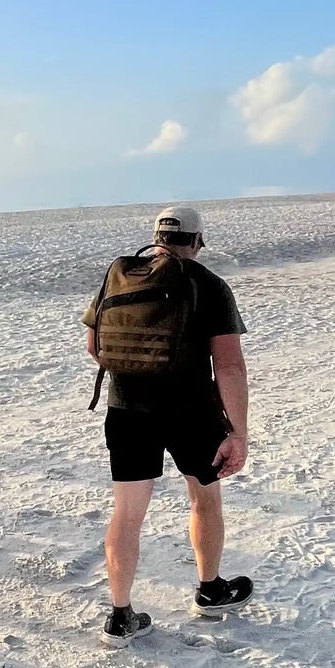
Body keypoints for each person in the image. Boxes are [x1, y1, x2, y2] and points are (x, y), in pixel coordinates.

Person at [82, 204, 252, 643]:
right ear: (197, 240)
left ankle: (120, 616)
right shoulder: (209, 284)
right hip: (191, 413)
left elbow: (93, 345)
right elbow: (229, 366)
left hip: (125, 410)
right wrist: (238, 431)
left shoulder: (120, 275)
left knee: (127, 514)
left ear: (156, 237)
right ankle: (210, 590)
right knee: (204, 500)